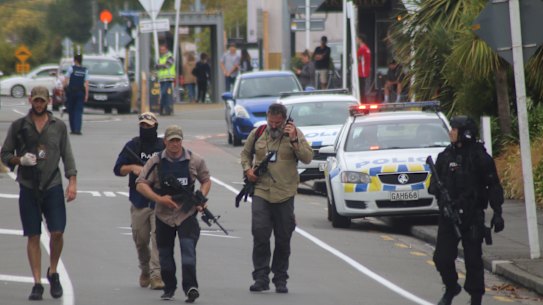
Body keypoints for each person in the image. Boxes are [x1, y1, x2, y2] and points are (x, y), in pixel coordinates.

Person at [1, 86, 77, 301]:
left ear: (49, 101)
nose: (39, 104)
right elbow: (5, 154)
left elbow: (67, 155)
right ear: (30, 101)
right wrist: (19, 160)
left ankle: (53, 271)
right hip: (28, 185)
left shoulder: (58, 126)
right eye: (36, 101)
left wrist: (72, 181)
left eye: (42, 101)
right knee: (33, 235)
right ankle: (36, 282)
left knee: (57, 232)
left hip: (52, 184)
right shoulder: (19, 126)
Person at [428, 116, 505, 305]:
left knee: (473, 261)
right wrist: (439, 191)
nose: (451, 132)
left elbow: (493, 185)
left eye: (455, 129)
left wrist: (497, 212)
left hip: (472, 216)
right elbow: (432, 186)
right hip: (448, 216)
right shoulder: (445, 156)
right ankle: (451, 287)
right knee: (442, 258)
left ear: (465, 133)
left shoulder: (480, 157)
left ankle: (476, 298)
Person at [240, 103, 313, 294]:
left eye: (277, 123)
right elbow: (245, 154)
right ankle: (261, 277)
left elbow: (307, 157)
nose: (273, 126)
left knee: (283, 238)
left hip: (285, 193)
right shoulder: (258, 133)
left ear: (284, 120)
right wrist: (248, 170)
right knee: (260, 233)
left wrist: (295, 138)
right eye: (270, 121)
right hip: (261, 191)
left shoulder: (294, 134)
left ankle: (280, 278)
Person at [136, 125, 211, 303]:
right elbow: (141, 183)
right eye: (171, 141)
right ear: (165, 142)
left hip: (187, 213)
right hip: (163, 215)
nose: (175, 144)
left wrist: (202, 195)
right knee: (165, 255)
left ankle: (191, 287)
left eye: (178, 140)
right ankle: (169, 288)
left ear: (182, 141)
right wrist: (159, 199)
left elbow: (206, 180)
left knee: (188, 251)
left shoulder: (195, 160)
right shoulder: (156, 161)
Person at [113, 112, 165, 290]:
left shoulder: (163, 146)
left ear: (155, 127)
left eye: (149, 126)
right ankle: (145, 269)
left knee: (158, 238)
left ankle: (156, 275)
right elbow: (117, 169)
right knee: (141, 239)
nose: (145, 129)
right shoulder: (132, 146)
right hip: (139, 200)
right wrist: (133, 168)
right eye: (142, 126)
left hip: (159, 200)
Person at [63, 53, 89, 135]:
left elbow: (65, 80)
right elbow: (87, 84)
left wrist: (64, 89)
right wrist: (86, 95)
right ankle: (78, 129)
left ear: (75, 60)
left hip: (71, 92)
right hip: (80, 92)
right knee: (78, 111)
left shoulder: (71, 69)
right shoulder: (85, 70)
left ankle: (73, 129)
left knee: (71, 110)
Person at [156, 42, 175, 115]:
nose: (162, 51)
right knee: (165, 94)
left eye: (163, 49)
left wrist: (160, 65)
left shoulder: (170, 56)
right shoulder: (160, 57)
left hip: (168, 78)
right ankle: (167, 110)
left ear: (166, 49)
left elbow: (167, 65)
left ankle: (162, 109)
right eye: (161, 50)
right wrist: (161, 65)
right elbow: (156, 66)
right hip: (161, 79)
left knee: (163, 93)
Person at [356, 34, 371, 103]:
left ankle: (363, 102)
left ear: (360, 40)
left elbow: (358, 59)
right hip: (366, 71)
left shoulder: (361, 49)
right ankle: (364, 101)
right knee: (364, 89)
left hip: (362, 72)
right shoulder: (367, 48)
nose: (356, 40)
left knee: (361, 89)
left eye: (357, 39)